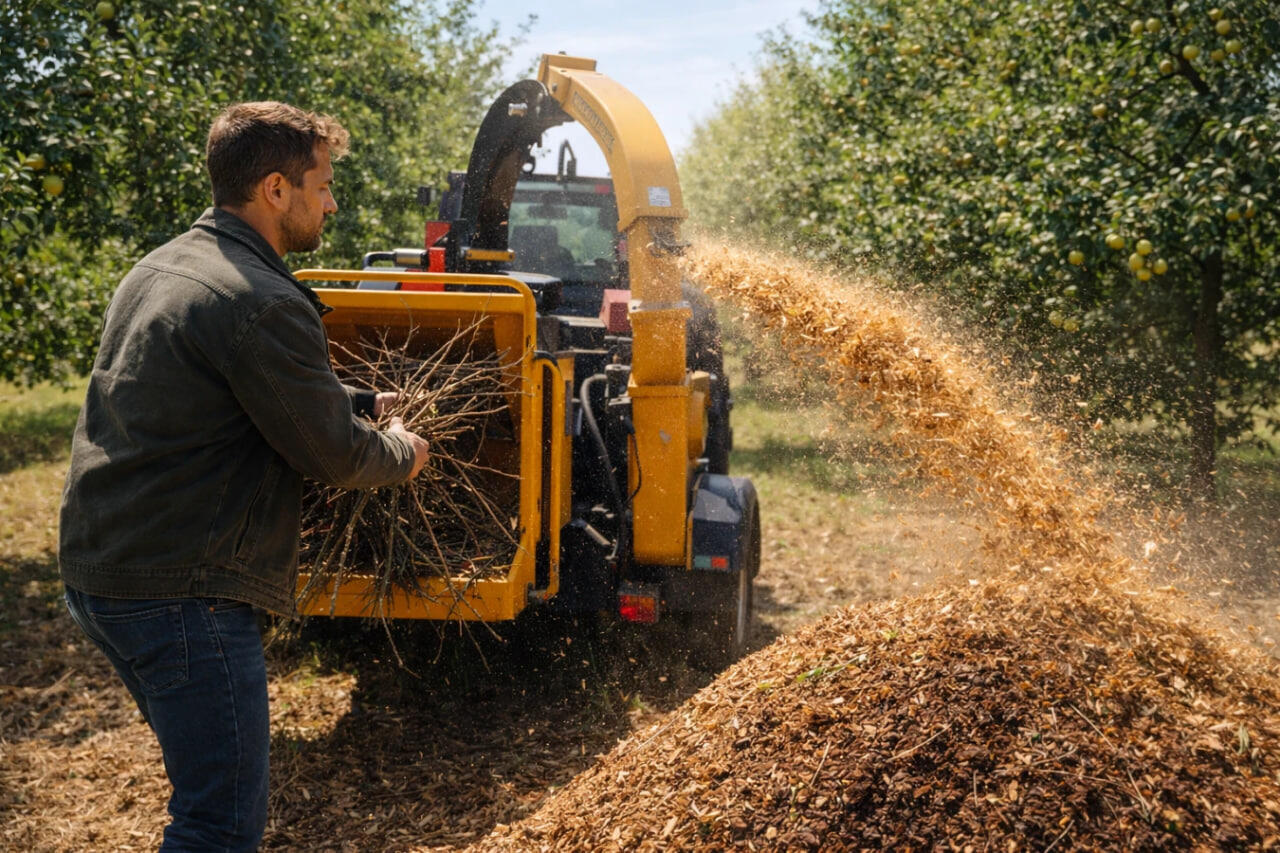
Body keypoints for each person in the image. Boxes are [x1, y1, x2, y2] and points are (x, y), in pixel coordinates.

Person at [58, 101, 429, 851]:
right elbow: (337, 455)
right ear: (275, 189)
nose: (333, 203)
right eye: (323, 185)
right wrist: (403, 449)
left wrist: (357, 400)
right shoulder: (262, 299)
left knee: (204, 798)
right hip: (181, 596)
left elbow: (218, 388)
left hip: (102, 575)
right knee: (219, 823)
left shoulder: (162, 266)